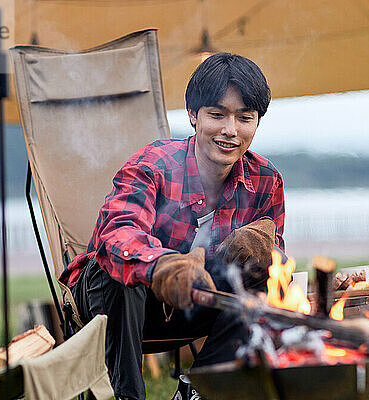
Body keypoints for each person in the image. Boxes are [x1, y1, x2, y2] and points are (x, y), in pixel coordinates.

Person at [59, 53, 286, 400]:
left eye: (245, 118)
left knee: (265, 277)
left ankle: (200, 390)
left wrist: (263, 247)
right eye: (217, 115)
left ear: (257, 122)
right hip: (115, 302)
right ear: (193, 115)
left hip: (196, 303)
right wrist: (165, 265)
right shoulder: (153, 164)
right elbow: (118, 234)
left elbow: (277, 262)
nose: (230, 130)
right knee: (120, 270)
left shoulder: (265, 180)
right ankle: (126, 396)